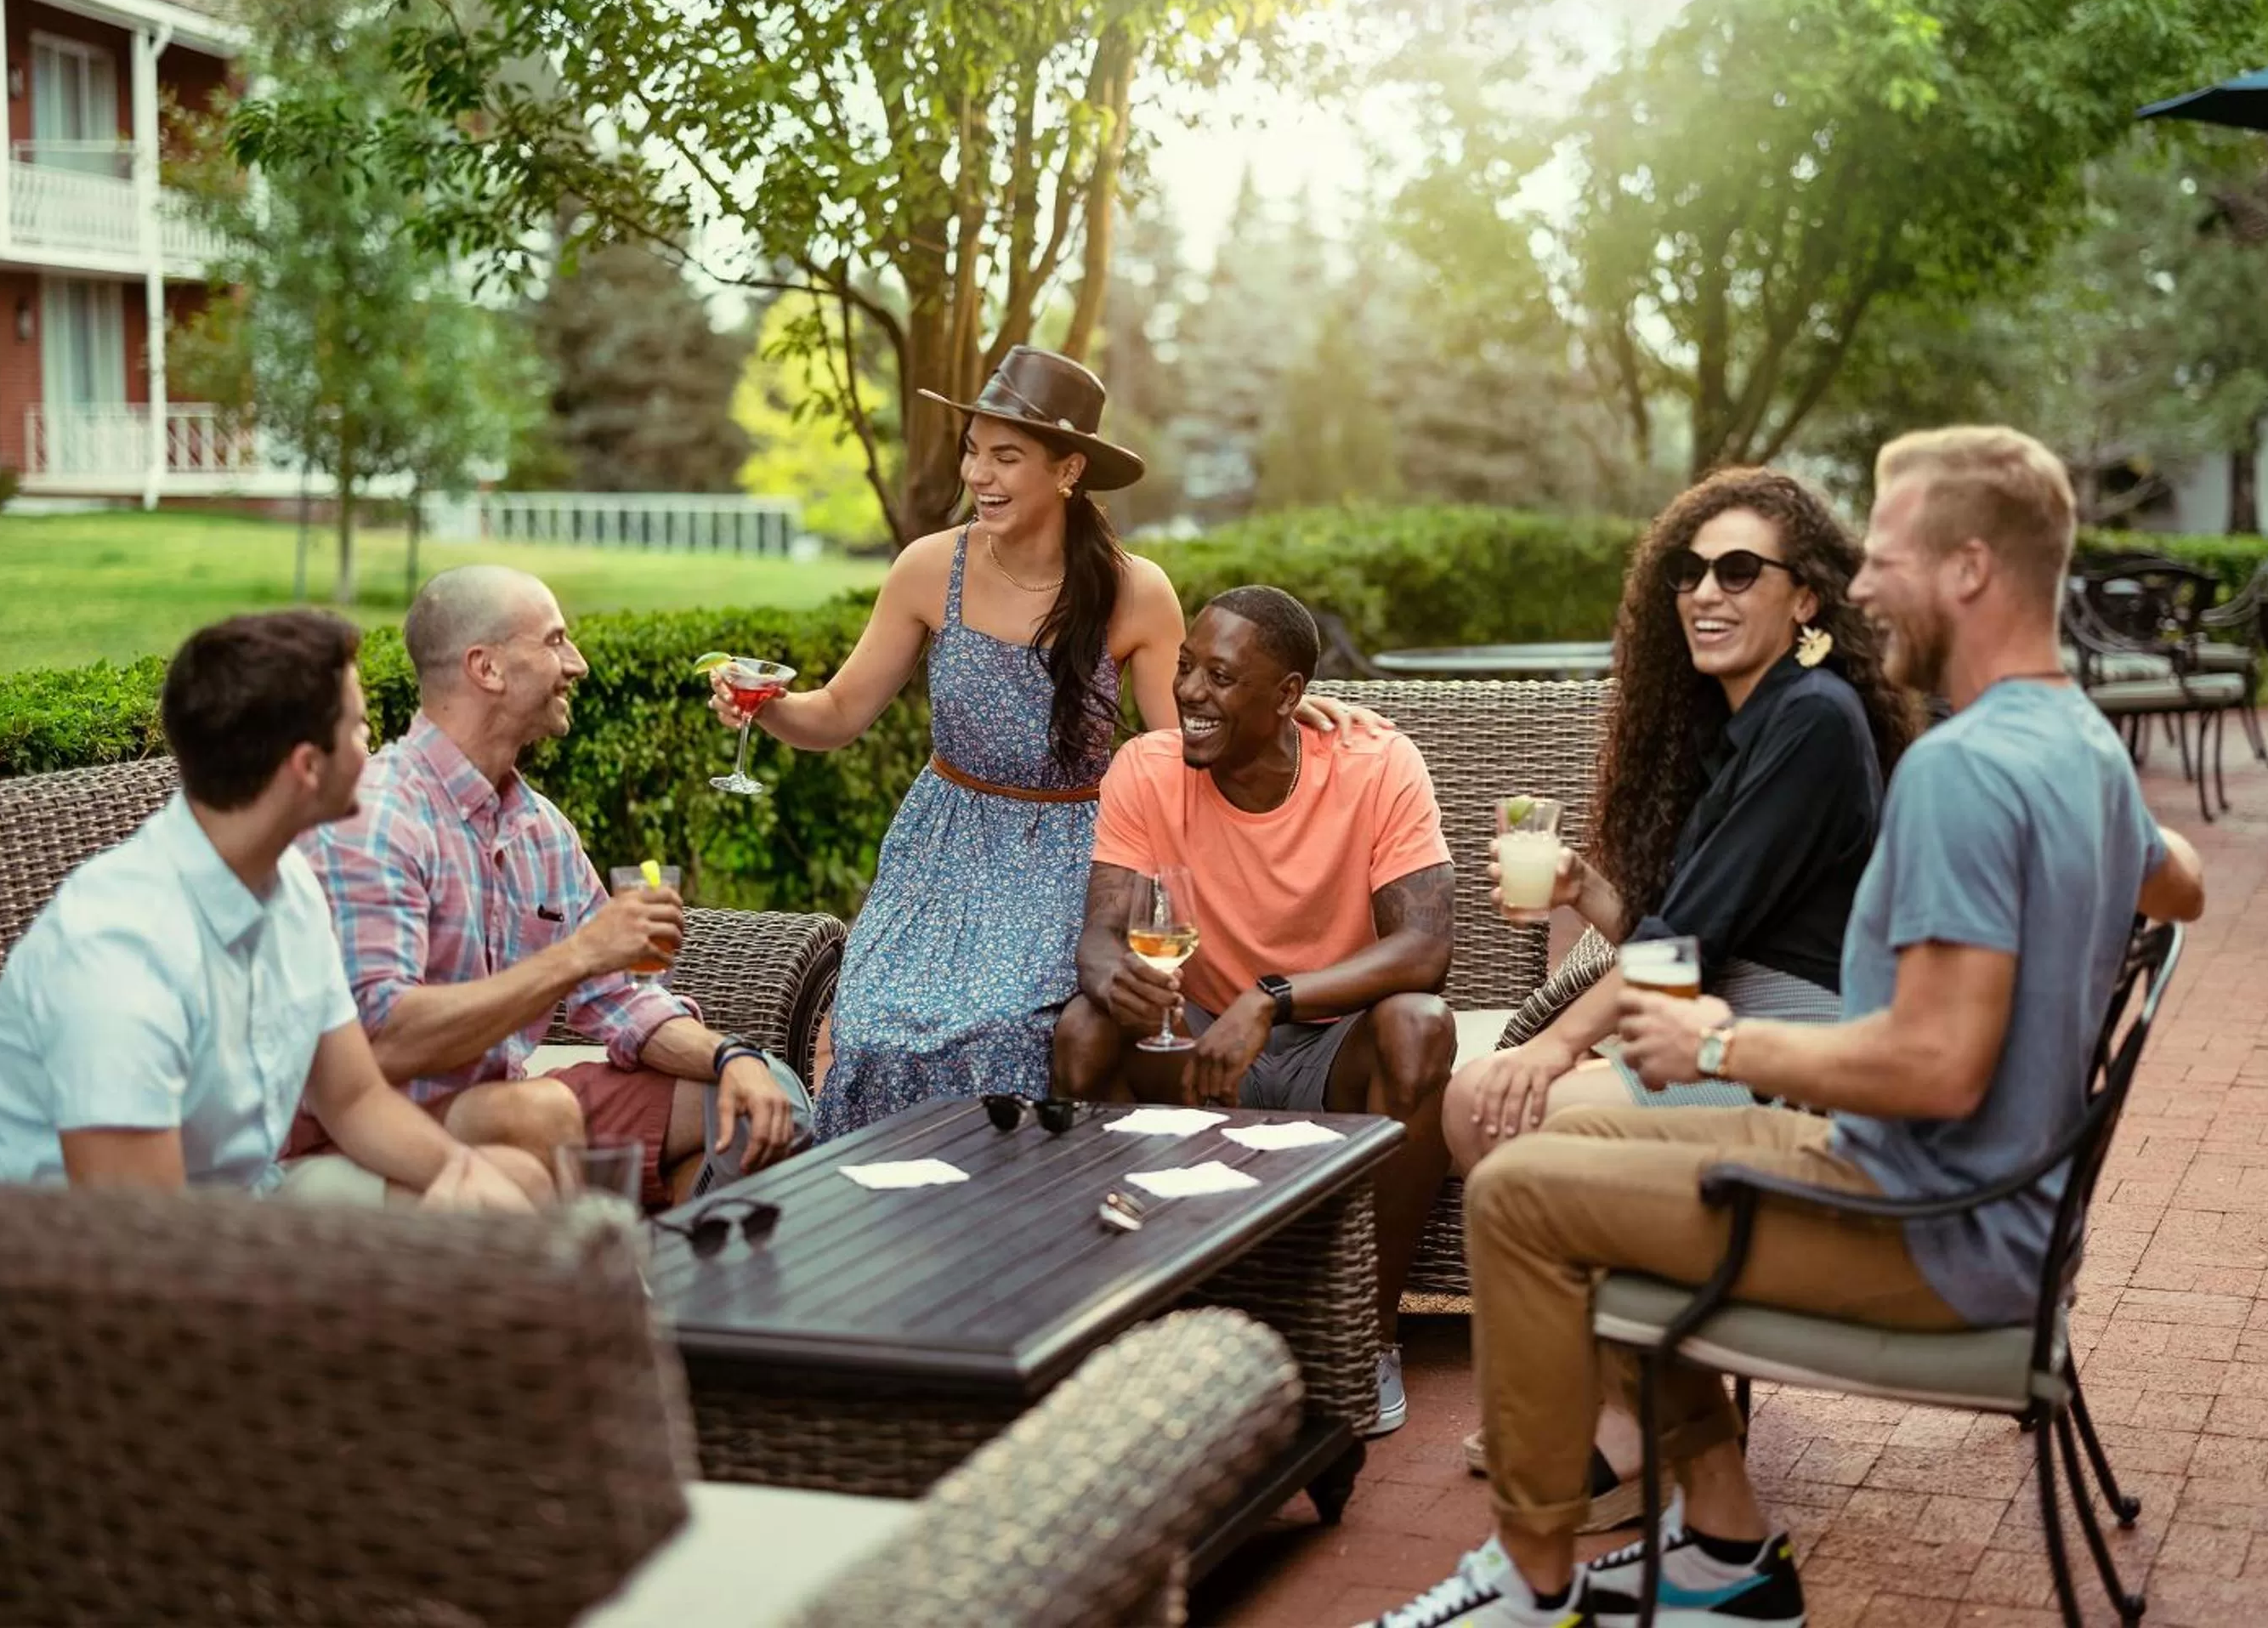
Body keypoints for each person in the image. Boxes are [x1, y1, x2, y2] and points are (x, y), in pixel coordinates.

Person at [1367, 426, 2208, 1628]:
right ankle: (1726, 1548)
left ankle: (1533, 1586)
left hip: (1929, 1222)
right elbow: (2183, 886)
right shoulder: (2080, 745)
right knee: (1568, 1149)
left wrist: (1716, 1048)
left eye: (1887, 556)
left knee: (1517, 1196)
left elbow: (1937, 1066)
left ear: (1970, 568)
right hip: (1969, 1195)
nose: (1863, 587)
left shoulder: (1960, 770)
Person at [717, 346, 1375, 1141]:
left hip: (1073, 857)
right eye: (972, 452)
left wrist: (1274, 712)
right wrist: (767, 707)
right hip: (942, 847)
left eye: (1005, 457)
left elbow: (1186, 743)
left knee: (1004, 1029)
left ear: (1068, 471)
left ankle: (1021, 1205)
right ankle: (886, 1203)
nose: (978, 475)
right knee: (872, 1028)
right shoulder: (929, 568)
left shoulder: (1135, 590)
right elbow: (838, 714)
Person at [1441, 468, 1919, 1530]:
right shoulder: (1752, 722)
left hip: (1791, 1058)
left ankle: (1635, 1422)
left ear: (1806, 597)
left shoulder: (1813, 720)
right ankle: (1630, 1399)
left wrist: (1551, 1049)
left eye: (1739, 571)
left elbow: (1684, 951)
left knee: (1503, 1109)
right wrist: (1585, 891)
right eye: (1689, 573)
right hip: (1716, 1022)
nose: (1706, 592)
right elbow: (1690, 938)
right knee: (1485, 1103)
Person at [1055, 586, 1457, 1438]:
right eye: (1186, 668)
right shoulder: (1146, 768)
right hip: (1199, 1045)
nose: (1189, 692)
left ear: (1288, 695)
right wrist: (1115, 979)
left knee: (1420, 1025)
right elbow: (1099, 938)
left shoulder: (1377, 763)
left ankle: (1369, 1336)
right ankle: (1136, 1316)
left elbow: (1425, 949)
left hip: (1332, 1047)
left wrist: (1271, 1000)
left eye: (1222, 677)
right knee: (1083, 1030)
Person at [0, 611, 538, 1211]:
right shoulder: (120, 953)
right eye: (359, 728)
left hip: (244, 1199)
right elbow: (141, 1238)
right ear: (308, 767)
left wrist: (461, 1170)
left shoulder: (289, 886)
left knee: (512, 1185)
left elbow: (353, 1100)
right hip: (85, 1248)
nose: (373, 749)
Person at [294, 567, 804, 1211]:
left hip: (502, 1101)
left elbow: (618, 997)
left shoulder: (540, 829)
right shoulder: (378, 818)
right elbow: (380, 1043)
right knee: (537, 1114)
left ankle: (662, 1256)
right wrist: (580, 954)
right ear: (487, 669)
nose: (578, 664)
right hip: (367, 1128)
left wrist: (729, 1056)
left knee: (768, 1097)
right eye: (556, 641)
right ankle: (607, 1256)